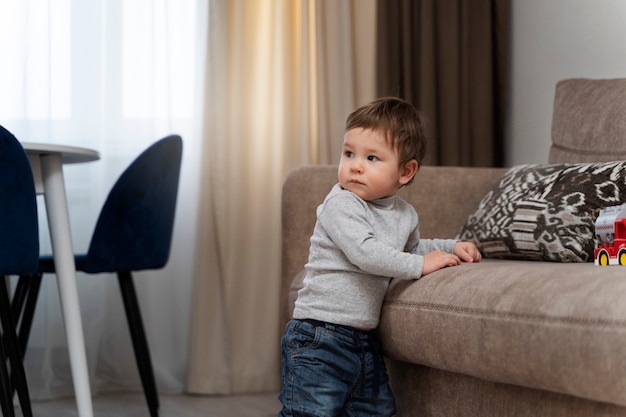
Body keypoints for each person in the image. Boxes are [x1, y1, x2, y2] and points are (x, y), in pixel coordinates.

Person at [278, 97, 481, 417]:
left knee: (376, 410)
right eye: (349, 154)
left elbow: (411, 249)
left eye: (372, 157)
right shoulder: (341, 204)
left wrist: (450, 246)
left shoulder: (404, 214)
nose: (355, 165)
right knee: (310, 412)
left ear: (405, 171)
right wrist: (419, 266)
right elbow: (366, 253)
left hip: (363, 341)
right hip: (319, 336)